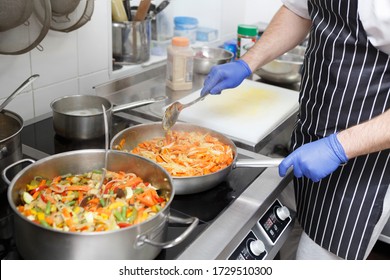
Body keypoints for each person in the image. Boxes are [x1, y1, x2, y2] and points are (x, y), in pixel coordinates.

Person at [200, 0, 390, 260]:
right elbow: (298, 11)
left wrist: (338, 147)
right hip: (311, 134)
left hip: (365, 164)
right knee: (289, 242)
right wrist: (246, 63)